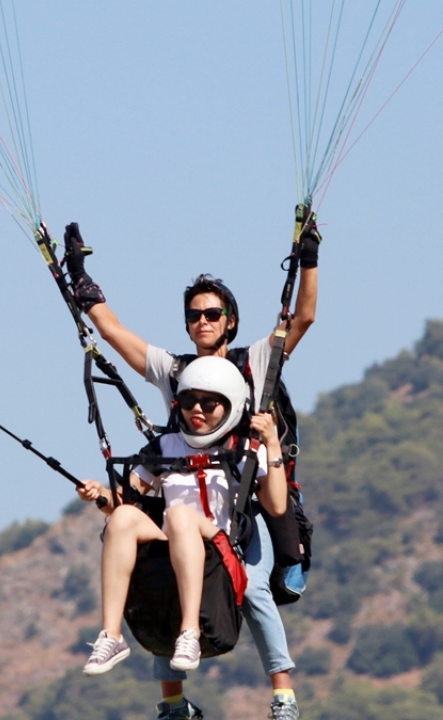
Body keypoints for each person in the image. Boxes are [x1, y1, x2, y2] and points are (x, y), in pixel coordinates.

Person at [63, 216, 321, 720]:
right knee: (164, 569)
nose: (202, 321)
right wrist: (81, 283)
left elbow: (304, 317)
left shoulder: (257, 362)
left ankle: (283, 692)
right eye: (194, 315)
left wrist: (308, 257)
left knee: (254, 582)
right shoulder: (175, 371)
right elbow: (114, 333)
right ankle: (169, 698)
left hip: (247, 486)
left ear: (230, 320)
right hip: (186, 481)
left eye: (212, 313)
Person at [76, 356, 288, 676]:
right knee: (121, 518)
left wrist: (272, 446)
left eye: (209, 403)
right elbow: (125, 498)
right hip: (172, 539)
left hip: (217, 542)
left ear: (229, 405)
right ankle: (111, 634)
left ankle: (190, 631)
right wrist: (101, 495)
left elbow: (276, 506)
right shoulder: (166, 446)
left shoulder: (244, 447)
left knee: (179, 515)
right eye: (189, 401)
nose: (197, 411)